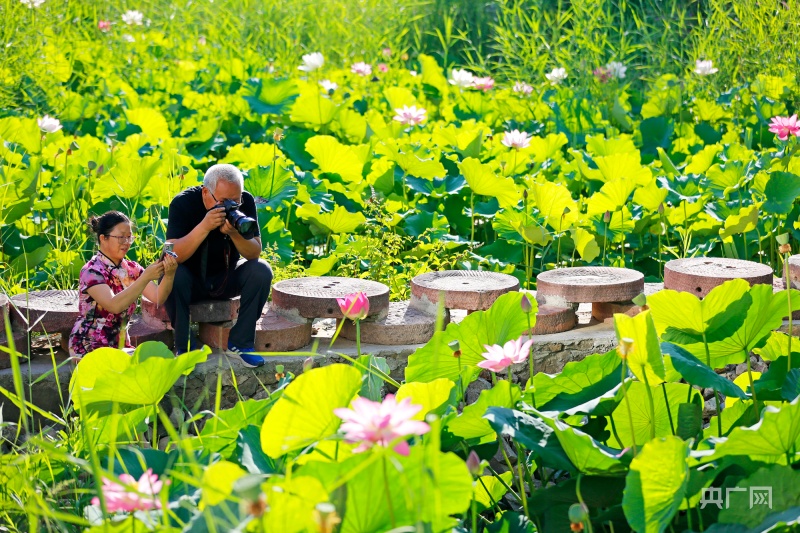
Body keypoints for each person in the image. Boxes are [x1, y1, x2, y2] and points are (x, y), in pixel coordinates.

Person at [165, 164, 273, 367]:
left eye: (236, 200)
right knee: (172, 273)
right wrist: (204, 226)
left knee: (261, 270)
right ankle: (186, 347)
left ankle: (241, 343)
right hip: (190, 281)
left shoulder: (246, 202)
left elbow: (254, 251)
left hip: (225, 279)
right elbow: (171, 253)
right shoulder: (183, 203)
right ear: (206, 193)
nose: (231, 206)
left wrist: (234, 233)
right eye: (223, 201)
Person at [69, 211, 178, 358]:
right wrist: (145, 278)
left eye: (129, 237)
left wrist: (169, 274)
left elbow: (158, 297)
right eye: (121, 237)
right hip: (89, 345)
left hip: (119, 345)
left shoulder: (132, 269)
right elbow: (114, 305)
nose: (127, 242)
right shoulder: (92, 271)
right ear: (103, 238)